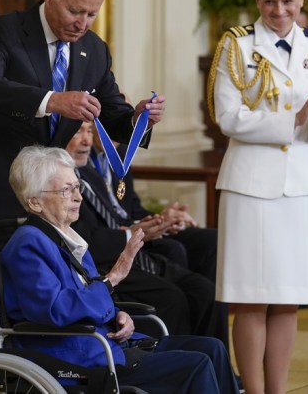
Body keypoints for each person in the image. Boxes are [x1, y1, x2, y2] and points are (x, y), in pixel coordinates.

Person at [0, 0, 165, 364]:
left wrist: (139, 117)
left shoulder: (93, 50)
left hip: (47, 203)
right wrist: (51, 101)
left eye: (92, 13)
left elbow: (112, 116)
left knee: (38, 307)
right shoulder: (6, 30)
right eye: (76, 10)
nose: (83, 22)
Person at [1, 145, 239, 393]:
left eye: (77, 187)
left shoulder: (66, 236)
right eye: (66, 190)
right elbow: (55, 310)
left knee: (213, 348)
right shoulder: (27, 244)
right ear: (35, 202)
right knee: (197, 363)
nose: (78, 197)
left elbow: (89, 293)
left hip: (110, 343)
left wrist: (117, 315)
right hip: (78, 357)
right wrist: (112, 278)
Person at [208, 0, 308, 394]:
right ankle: (254, 390)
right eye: (270, 1)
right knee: (251, 298)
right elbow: (227, 118)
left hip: (300, 185)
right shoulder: (236, 46)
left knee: (289, 300)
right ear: (257, 0)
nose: (279, 10)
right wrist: (294, 116)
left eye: (287, 1)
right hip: (250, 186)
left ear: (302, 0)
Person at [67, 122, 229, 349]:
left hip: (133, 248)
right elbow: (82, 238)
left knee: (206, 290)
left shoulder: (110, 162)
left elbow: (127, 212)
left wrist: (158, 221)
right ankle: (181, 370)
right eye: (79, 132)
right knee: (174, 295)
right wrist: (135, 232)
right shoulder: (68, 178)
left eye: (87, 132)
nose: (86, 139)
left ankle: (215, 369)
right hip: (106, 262)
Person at [90, 125, 218, 282]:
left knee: (211, 241)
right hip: (113, 241)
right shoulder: (81, 159)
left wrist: (163, 221)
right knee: (171, 249)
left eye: (126, 120)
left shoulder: (120, 151)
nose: (116, 127)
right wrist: (136, 230)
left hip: (138, 231)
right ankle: (185, 301)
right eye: (108, 120)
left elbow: (134, 209)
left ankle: (207, 302)